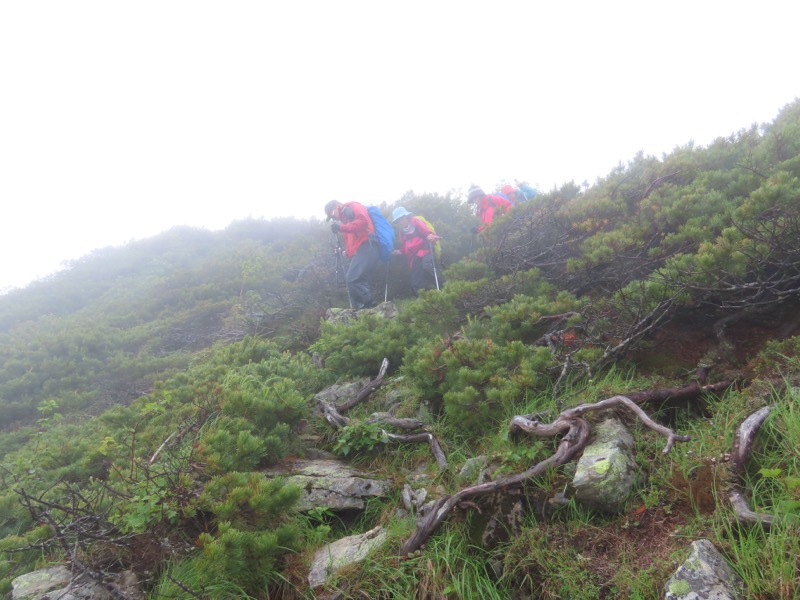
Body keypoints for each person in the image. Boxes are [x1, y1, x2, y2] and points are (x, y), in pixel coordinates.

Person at [324, 200, 380, 309]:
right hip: (364, 248)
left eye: (331, 214)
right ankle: (362, 311)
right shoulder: (345, 221)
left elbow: (363, 222)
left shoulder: (354, 206)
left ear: (336, 207)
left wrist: (341, 228)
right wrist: (342, 252)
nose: (333, 218)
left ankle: (368, 307)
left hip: (368, 245)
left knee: (352, 278)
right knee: (358, 279)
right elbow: (352, 245)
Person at [390, 206, 442, 295]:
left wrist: (430, 235)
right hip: (415, 256)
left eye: (402, 218)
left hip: (426, 249)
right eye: (399, 220)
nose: (401, 221)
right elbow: (406, 247)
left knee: (427, 266)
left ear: (406, 216)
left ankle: (443, 286)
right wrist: (399, 252)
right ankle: (421, 299)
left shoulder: (416, 222)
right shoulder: (402, 233)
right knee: (416, 279)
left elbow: (427, 231)